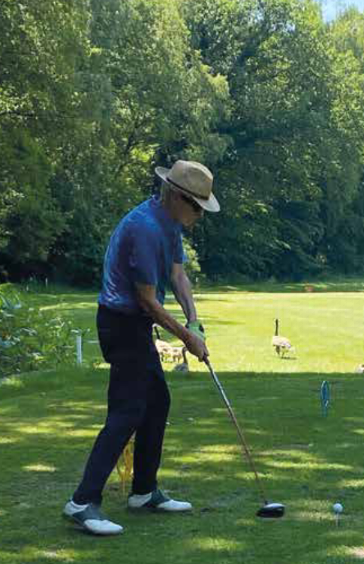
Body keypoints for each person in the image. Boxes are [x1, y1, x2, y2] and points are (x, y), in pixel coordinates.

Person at [63, 160, 220, 536]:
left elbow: (178, 274)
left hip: (136, 324)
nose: (199, 214)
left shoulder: (170, 223)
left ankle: (144, 491)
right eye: (196, 206)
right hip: (121, 324)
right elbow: (147, 300)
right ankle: (82, 502)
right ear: (176, 196)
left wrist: (194, 321)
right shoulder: (145, 229)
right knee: (127, 410)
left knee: (157, 403)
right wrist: (187, 338)